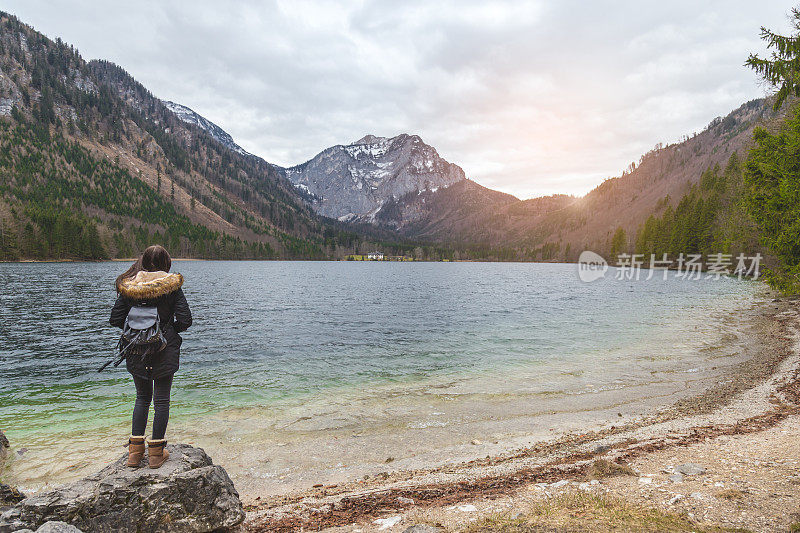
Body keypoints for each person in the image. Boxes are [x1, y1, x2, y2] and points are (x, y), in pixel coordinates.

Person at [110, 245, 192, 468]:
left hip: (135, 349)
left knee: (142, 398)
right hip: (164, 350)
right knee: (162, 401)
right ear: (166, 263)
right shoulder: (172, 286)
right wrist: (166, 331)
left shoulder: (130, 287)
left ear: (143, 262)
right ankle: (156, 454)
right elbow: (185, 320)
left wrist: (138, 331)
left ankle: (134, 455)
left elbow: (115, 319)